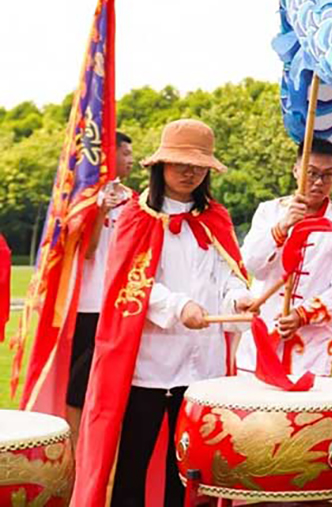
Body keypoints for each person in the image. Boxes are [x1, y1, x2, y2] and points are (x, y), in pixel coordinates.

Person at [73, 119, 253, 507]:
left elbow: (229, 278)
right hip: (147, 367)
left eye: (198, 164)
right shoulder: (135, 216)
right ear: (160, 166)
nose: (189, 172)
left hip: (202, 367)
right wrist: (177, 306)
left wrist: (239, 299)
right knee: (133, 462)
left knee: (189, 467)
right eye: (180, 163)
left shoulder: (216, 219)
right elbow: (128, 284)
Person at [236, 138, 332, 378]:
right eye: (311, 172)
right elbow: (252, 264)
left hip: (312, 343)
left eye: (327, 175)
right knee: (257, 411)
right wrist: (281, 227)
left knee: (306, 412)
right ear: (296, 170)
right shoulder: (269, 211)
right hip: (263, 333)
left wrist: (302, 315)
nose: (318, 182)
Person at [65, 131, 134, 449]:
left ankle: (105, 457)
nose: (131, 159)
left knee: (116, 386)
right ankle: (74, 455)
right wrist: (99, 210)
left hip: (122, 306)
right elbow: (87, 251)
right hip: (89, 305)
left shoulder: (135, 200)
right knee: (79, 387)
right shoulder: (82, 199)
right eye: (126, 152)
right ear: (109, 155)